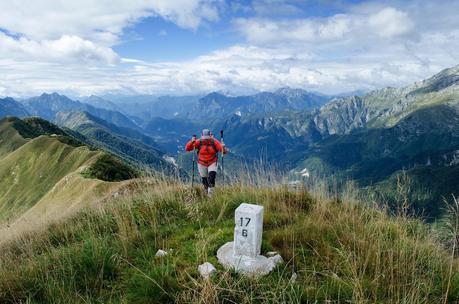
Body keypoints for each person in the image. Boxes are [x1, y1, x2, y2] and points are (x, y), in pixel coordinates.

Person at [185, 129, 227, 196]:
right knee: (204, 180)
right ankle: (206, 191)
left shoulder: (214, 142)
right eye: (205, 138)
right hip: (202, 163)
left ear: (210, 135)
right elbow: (187, 148)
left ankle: (210, 195)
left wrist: (223, 147)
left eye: (207, 138)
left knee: (212, 177)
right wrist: (192, 141)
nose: (206, 139)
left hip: (212, 162)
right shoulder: (199, 142)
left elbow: (224, 152)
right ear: (202, 136)